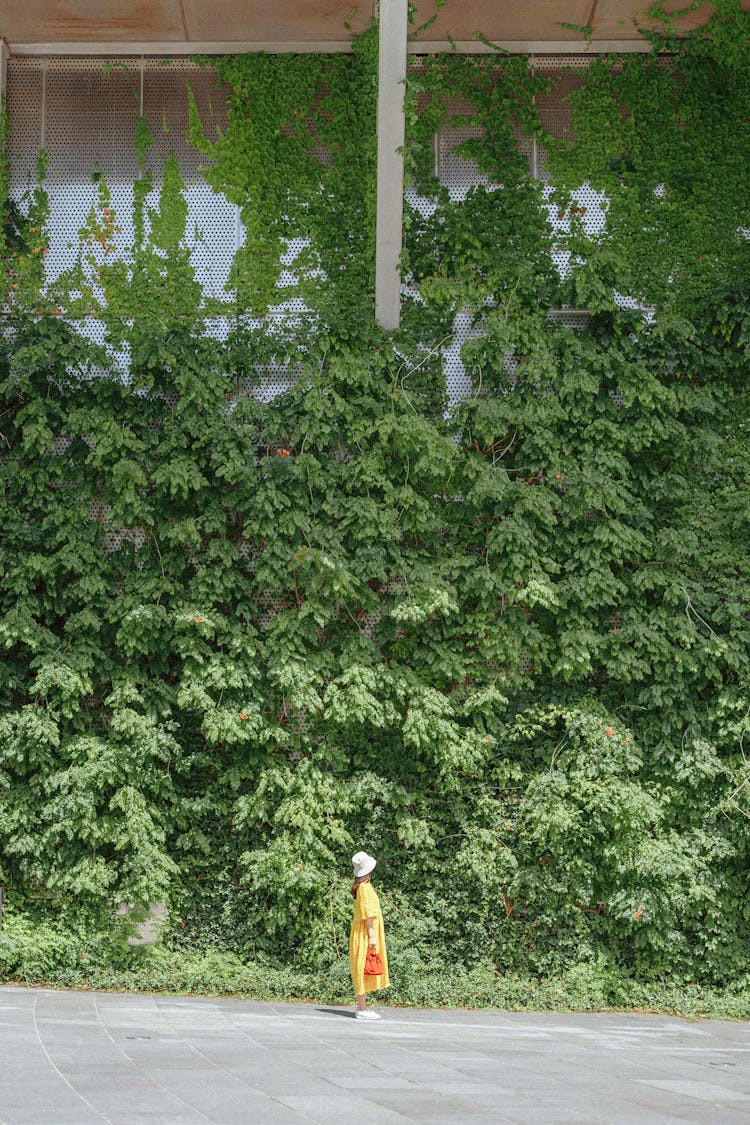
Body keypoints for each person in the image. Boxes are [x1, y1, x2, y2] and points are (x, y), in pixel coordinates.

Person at [349, 850, 389, 1020]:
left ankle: (363, 1007)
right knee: (362, 967)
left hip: (365, 932)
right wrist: (372, 935)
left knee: (363, 967)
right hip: (366, 933)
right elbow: (367, 913)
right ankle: (362, 1009)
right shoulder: (364, 888)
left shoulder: (364, 886)